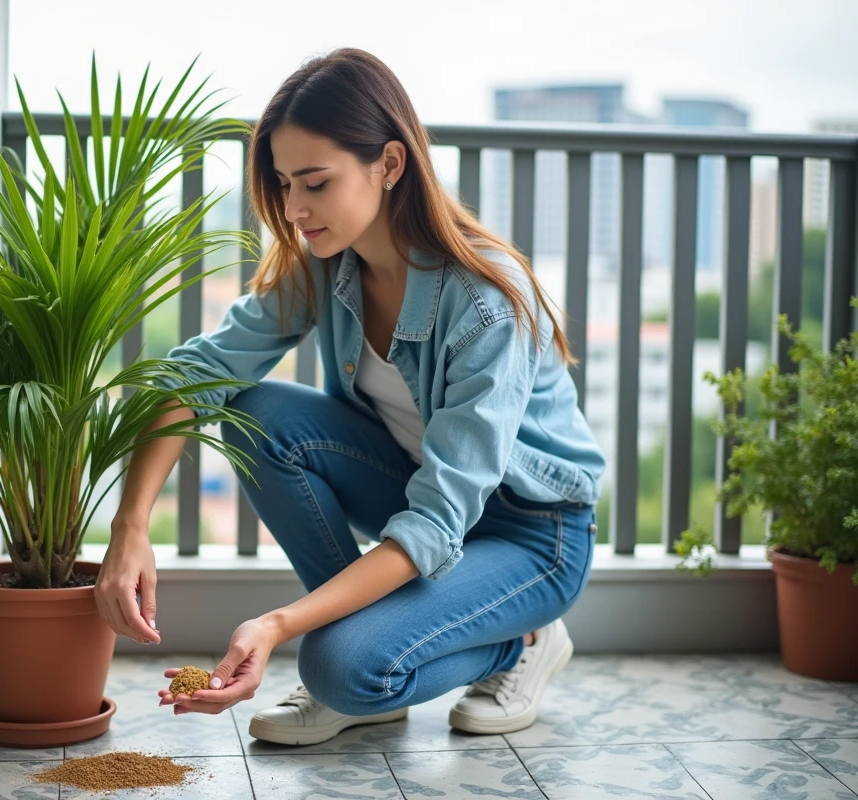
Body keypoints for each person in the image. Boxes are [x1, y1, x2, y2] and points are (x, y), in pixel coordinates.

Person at [93, 47, 606, 746]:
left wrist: (279, 625)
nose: (295, 209)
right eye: (283, 184)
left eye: (316, 183)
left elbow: (436, 519)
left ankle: (520, 639)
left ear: (389, 165)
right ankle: (371, 642)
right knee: (253, 416)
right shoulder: (324, 264)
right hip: (417, 491)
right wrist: (130, 530)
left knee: (339, 667)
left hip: (529, 532)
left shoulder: (485, 306)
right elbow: (195, 376)